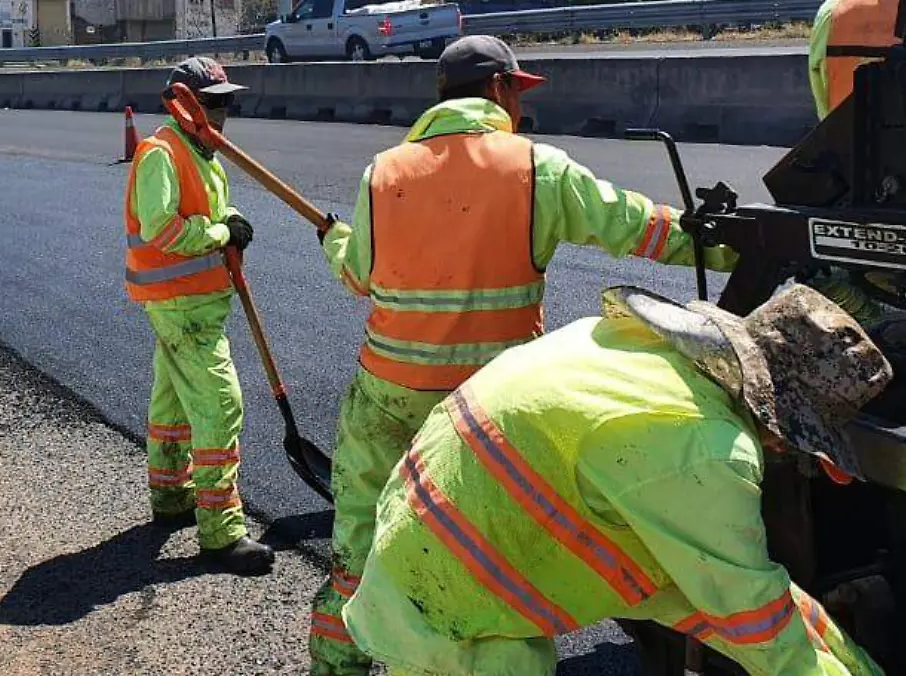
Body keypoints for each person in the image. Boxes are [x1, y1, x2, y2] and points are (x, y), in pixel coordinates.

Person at [308, 35, 736, 676]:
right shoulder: (537, 168)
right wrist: (723, 243)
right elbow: (638, 226)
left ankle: (338, 665)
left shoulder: (384, 173)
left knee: (360, 549)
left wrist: (337, 242)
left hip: (389, 394)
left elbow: (358, 276)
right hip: (487, 411)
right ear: (501, 91)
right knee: (487, 553)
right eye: (518, 93)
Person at [340, 283, 889, 676]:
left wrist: (840, 650)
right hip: (457, 611)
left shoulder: (627, 350)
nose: (783, 447)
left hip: (420, 548)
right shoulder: (702, 448)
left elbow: (709, 597)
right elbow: (749, 617)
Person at [123, 56, 274, 575]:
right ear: (185, 104)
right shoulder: (161, 154)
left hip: (199, 304)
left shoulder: (203, 154)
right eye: (213, 103)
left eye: (227, 103)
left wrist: (230, 220)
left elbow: (207, 214)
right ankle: (221, 532)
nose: (223, 112)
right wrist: (220, 234)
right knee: (220, 402)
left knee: (172, 396)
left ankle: (171, 496)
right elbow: (160, 229)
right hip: (181, 304)